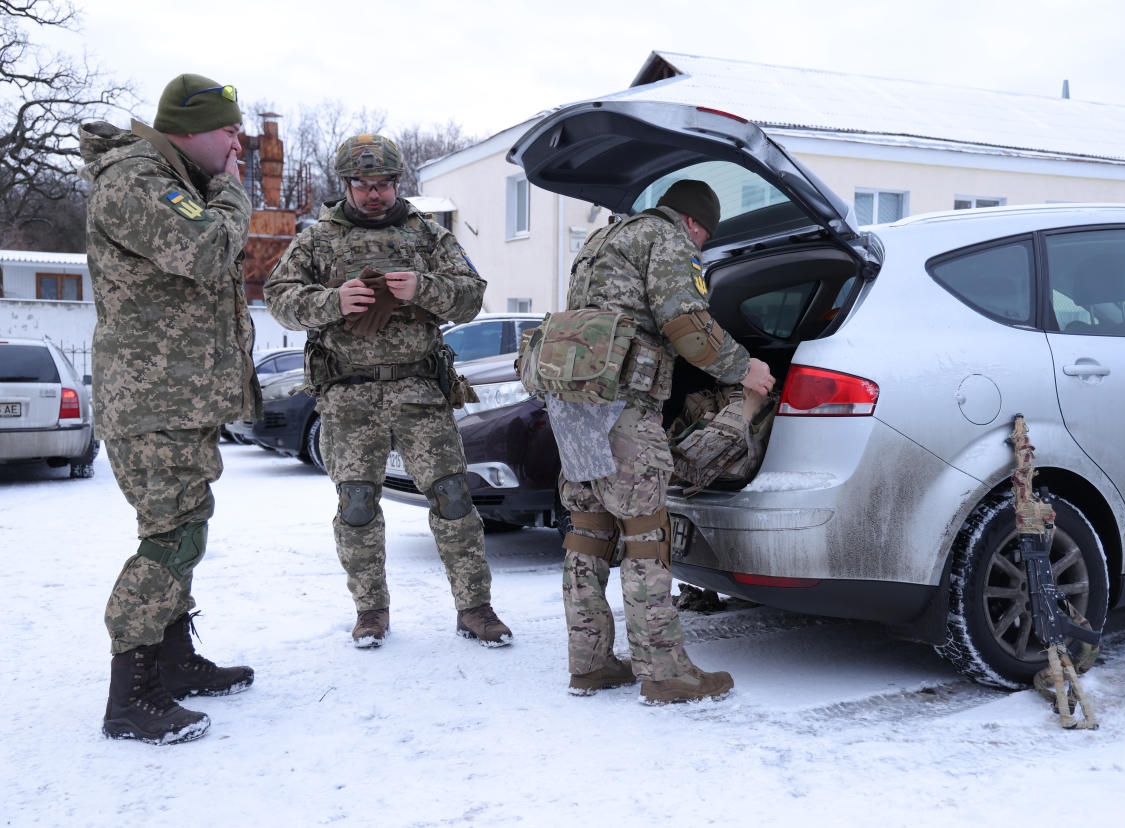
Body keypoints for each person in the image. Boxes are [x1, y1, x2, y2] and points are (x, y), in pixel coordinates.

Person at [264, 133, 512, 650]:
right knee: (356, 504)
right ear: (346, 185)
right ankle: (370, 611)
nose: (374, 194)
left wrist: (424, 287)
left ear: (398, 183)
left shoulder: (425, 234)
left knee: (452, 497)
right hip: (349, 396)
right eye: (363, 185)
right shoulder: (318, 239)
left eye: (383, 184)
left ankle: (475, 608)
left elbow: (471, 296)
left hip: (419, 392)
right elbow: (279, 300)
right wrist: (333, 300)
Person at [80, 73, 260, 744]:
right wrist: (232, 190)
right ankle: (132, 696)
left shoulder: (173, 180)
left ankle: (175, 661)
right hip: (153, 400)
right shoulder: (138, 181)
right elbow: (210, 250)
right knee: (171, 536)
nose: (237, 142)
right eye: (228, 130)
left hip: (174, 397)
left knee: (184, 527)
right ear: (188, 132)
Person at [553, 179, 775, 703]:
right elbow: (686, 325)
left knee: (586, 532)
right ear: (695, 224)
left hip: (573, 407)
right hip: (625, 406)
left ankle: (591, 663)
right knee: (646, 534)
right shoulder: (667, 240)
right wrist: (746, 369)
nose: (698, 248)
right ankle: (665, 672)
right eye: (703, 239)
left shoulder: (601, 241)